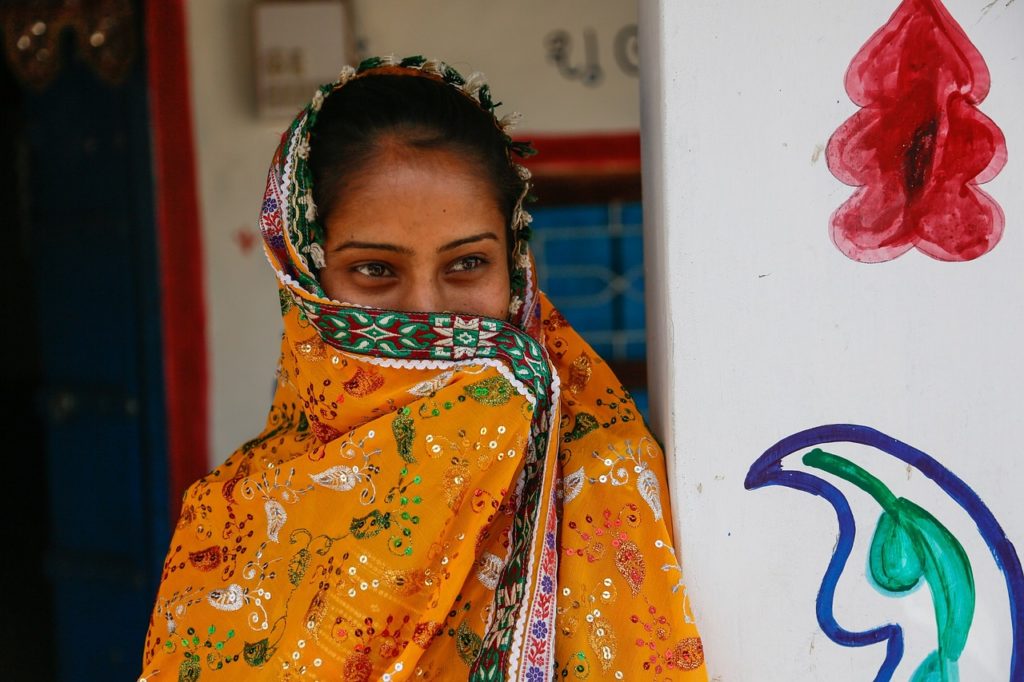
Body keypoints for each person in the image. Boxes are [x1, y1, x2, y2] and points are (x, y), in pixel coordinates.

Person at [139, 55, 705, 681]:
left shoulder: (604, 477)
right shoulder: (234, 518)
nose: (428, 312)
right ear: (304, 277)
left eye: (466, 265)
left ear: (514, 265)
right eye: (376, 270)